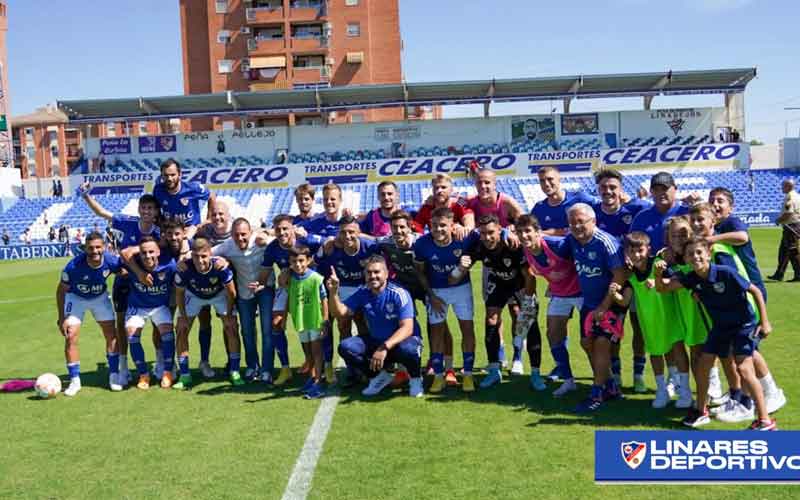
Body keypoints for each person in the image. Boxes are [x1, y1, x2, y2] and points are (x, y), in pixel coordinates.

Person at [655, 237, 775, 430]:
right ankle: (701, 411)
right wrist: (658, 273)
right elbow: (663, 288)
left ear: (708, 254)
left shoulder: (725, 272)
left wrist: (765, 321)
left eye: (699, 252)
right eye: (690, 254)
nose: (695, 257)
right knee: (703, 364)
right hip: (720, 327)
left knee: (744, 368)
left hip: (743, 325)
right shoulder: (692, 278)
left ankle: (765, 420)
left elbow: (755, 291)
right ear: (685, 259)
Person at [79, 184, 161, 385]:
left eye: (151, 208)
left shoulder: (159, 232)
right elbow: (101, 212)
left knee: (158, 323)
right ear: (139, 209)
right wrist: (85, 196)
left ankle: (160, 363)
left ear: (156, 212)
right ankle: (123, 367)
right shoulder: (126, 222)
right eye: (144, 208)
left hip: (150, 283)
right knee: (123, 324)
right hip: (125, 280)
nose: (147, 211)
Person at [462, 214, 540, 388]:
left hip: (520, 284)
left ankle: (534, 372)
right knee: (491, 319)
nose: (487, 237)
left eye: (491, 232)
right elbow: (465, 263)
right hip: (498, 282)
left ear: (499, 230)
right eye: (483, 233)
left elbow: (530, 276)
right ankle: (494, 369)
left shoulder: (512, 245)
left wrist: (528, 301)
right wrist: (462, 265)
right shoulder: (478, 246)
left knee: (528, 321)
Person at [331, 255, 424, 398]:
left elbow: (407, 328)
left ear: (386, 274)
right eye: (369, 273)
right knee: (346, 347)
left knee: (409, 350)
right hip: (377, 341)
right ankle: (378, 377)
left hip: (401, 343)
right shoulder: (363, 292)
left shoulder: (399, 293)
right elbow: (342, 313)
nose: (372, 276)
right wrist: (333, 293)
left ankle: (416, 379)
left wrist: (384, 347)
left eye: (377, 272)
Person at [592, 169, 651, 393]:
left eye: (613, 187)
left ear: (620, 189)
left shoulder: (635, 209)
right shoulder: (593, 213)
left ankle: (638, 375)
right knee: (613, 330)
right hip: (611, 283)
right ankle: (615, 375)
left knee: (640, 329)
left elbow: (658, 208)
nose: (608, 191)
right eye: (604, 187)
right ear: (598, 190)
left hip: (637, 280)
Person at [413, 207, 478, 393]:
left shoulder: (464, 238)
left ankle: (467, 375)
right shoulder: (422, 244)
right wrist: (431, 296)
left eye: (443, 225)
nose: (438, 229)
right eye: (434, 226)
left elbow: (487, 230)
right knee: (436, 332)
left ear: (452, 226)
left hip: (461, 289)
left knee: (467, 328)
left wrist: (508, 232)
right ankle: (439, 376)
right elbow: (420, 272)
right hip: (436, 292)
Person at [517, 214, 581, 396]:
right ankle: (568, 381)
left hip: (581, 293)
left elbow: (580, 249)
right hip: (559, 295)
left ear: (538, 232)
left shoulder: (557, 245)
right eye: (520, 232)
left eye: (528, 231)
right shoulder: (526, 250)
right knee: (553, 334)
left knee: (589, 341)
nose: (524, 236)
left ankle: (604, 383)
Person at [623, 232, 688, 408]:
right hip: (650, 322)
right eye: (632, 251)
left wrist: (659, 278)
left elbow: (677, 279)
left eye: (640, 250)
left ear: (648, 249)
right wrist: (614, 293)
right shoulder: (630, 275)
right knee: (656, 354)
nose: (637, 255)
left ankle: (685, 390)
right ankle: (662, 390)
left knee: (677, 350)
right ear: (626, 253)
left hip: (670, 317)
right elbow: (625, 301)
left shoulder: (658, 264)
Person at [259, 214, 324, 385]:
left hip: (309, 285)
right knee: (276, 323)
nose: (281, 233)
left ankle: (317, 364)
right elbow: (264, 275)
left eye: (285, 228)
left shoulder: (306, 240)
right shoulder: (272, 248)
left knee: (312, 326)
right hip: (288, 287)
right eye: (278, 230)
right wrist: (259, 285)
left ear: (292, 228)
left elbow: (327, 245)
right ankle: (286, 368)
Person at [55, 232, 123, 396]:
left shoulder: (111, 261)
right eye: (91, 248)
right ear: (85, 248)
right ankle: (75, 380)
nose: (95, 251)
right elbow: (60, 291)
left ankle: (114, 375)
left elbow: (125, 272)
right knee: (70, 336)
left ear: (104, 247)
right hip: (76, 298)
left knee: (111, 334)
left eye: (98, 247)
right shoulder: (73, 267)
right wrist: (62, 317)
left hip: (100, 298)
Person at [213, 218, 275, 383]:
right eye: (236, 235)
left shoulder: (261, 241)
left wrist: (268, 233)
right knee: (247, 331)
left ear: (251, 233)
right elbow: (205, 253)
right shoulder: (227, 245)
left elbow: (282, 241)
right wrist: (185, 259)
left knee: (267, 331)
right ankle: (252, 367)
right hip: (244, 293)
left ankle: (267, 370)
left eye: (243, 234)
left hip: (266, 290)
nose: (240, 238)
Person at [174, 238, 241, 389]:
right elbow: (179, 294)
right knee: (181, 329)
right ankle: (184, 375)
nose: (200, 260)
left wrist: (229, 314)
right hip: (194, 296)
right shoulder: (185, 268)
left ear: (210, 254)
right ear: (192, 255)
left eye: (203, 256)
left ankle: (235, 371)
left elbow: (231, 292)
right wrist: (183, 317)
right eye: (196, 256)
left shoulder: (220, 267)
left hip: (218, 296)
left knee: (231, 328)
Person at [123, 237, 177, 390]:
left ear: (158, 252)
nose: (147, 256)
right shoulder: (133, 265)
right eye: (144, 253)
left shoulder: (169, 266)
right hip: (137, 307)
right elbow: (123, 254)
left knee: (167, 333)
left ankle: (167, 372)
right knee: (132, 334)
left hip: (160, 306)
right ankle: (143, 374)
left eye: (151, 252)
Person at [286, 245, 329, 399]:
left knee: (316, 351)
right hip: (301, 321)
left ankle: (318, 383)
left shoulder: (316, 278)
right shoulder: (290, 278)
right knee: (308, 352)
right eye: (294, 262)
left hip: (315, 320)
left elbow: (324, 299)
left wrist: (325, 320)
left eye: (301, 261)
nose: (298, 264)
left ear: (309, 260)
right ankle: (312, 378)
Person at [152, 158, 216, 239]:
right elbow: (155, 209)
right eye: (166, 175)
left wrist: (209, 219)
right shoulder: (158, 190)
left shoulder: (192, 188)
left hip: (192, 230)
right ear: (161, 176)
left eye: (172, 175)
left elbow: (212, 196)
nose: (169, 179)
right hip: (171, 233)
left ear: (180, 174)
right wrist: (162, 225)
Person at [630, 172, 689, 253]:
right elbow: (630, 246)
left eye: (665, 189)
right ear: (651, 191)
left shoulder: (687, 213)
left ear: (675, 189)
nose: (660, 193)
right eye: (656, 190)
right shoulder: (641, 217)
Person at [532, 166, 598, 236]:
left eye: (550, 179)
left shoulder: (580, 198)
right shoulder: (538, 208)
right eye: (542, 181)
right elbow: (531, 231)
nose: (546, 184)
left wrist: (548, 233)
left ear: (559, 179)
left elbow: (603, 208)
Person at [768, 178, 800, 282]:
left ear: (788, 186)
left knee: (792, 251)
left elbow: (789, 213)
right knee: (783, 252)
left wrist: (779, 220)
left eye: (783, 186)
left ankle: (798, 275)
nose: (781, 188)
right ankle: (779, 274)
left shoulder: (790, 197)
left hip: (791, 226)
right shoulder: (797, 195)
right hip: (793, 225)